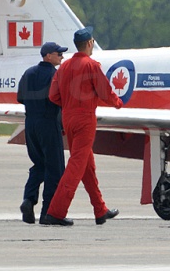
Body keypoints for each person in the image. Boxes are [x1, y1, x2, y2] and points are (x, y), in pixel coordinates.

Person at [43, 27, 122, 226]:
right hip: (85, 118)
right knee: (76, 165)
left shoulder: (64, 67)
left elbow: (53, 96)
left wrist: (68, 104)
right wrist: (117, 103)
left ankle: (100, 209)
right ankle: (56, 212)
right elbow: (104, 91)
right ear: (89, 44)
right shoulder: (91, 65)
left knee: (87, 166)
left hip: (68, 118)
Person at [17, 41, 68, 225]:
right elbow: (60, 99)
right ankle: (48, 213)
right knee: (55, 169)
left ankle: (29, 199)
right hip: (48, 122)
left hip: (30, 123)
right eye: (59, 54)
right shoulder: (55, 75)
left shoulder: (29, 72)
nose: (61, 56)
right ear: (48, 56)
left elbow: (20, 97)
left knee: (38, 165)